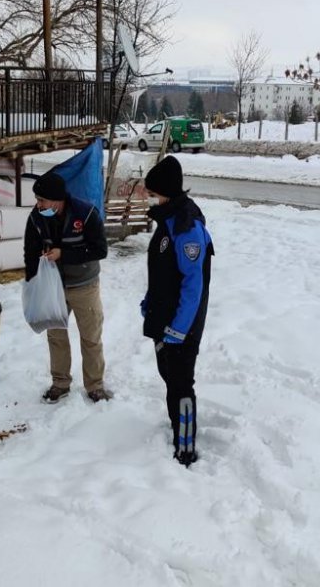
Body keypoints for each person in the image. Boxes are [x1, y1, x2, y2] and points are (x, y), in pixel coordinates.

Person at [140, 155, 213, 467]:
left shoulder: (186, 228)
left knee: (181, 382)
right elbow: (162, 273)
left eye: (152, 192)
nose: (149, 197)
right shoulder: (168, 219)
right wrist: (150, 304)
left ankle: (185, 447)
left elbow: (192, 286)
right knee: (168, 376)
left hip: (181, 325)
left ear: (166, 191)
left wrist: (178, 329)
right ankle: (175, 424)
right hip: (164, 319)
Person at [24, 171, 111, 403]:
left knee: (91, 337)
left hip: (84, 286)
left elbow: (100, 250)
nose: (38, 204)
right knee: (56, 336)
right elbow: (30, 251)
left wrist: (64, 254)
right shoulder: (36, 217)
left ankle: (95, 385)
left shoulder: (87, 213)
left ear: (57, 199)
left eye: (42, 200)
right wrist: (33, 283)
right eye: (37, 200)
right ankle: (60, 383)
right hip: (54, 288)